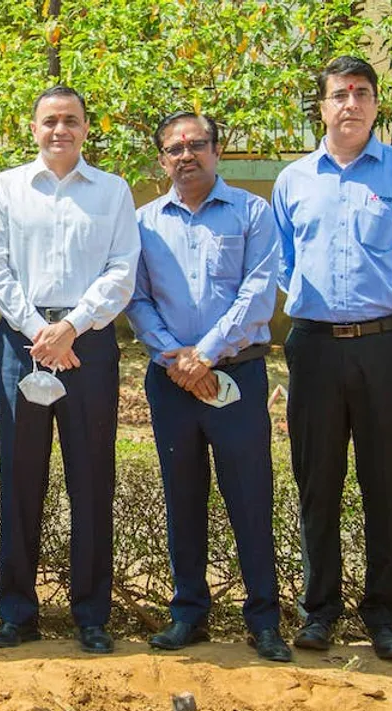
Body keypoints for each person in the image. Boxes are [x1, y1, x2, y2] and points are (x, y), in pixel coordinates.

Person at [272, 56, 392, 660]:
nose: (351, 103)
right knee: (317, 482)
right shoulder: (294, 180)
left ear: (375, 104)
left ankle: (385, 615)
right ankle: (319, 612)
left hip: (388, 344)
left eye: (362, 93)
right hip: (313, 347)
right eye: (340, 93)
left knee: (384, 481)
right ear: (322, 105)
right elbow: (286, 263)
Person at [0, 85, 140, 654]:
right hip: (23, 343)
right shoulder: (7, 188)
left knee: (91, 480)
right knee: (21, 479)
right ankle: (17, 613)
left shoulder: (113, 191)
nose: (59, 129)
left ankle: (91, 615)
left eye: (70, 120)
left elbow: (122, 269)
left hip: (88, 347)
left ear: (87, 127)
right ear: (34, 128)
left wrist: (74, 326)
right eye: (49, 121)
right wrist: (35, 329)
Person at [126, 113, 291, 662]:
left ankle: (264, 620)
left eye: (197, 144)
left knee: (249, 496)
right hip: (170, 378)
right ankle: (188, 614)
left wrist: (207, 354)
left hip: (237, 373)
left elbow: (258, 291)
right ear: (161, 160)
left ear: (217, 151)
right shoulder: (143, 223)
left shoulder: (252, 213)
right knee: (183, 495)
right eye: (174, 148)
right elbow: (137, 297)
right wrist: (174, 355)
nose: (186, 155)